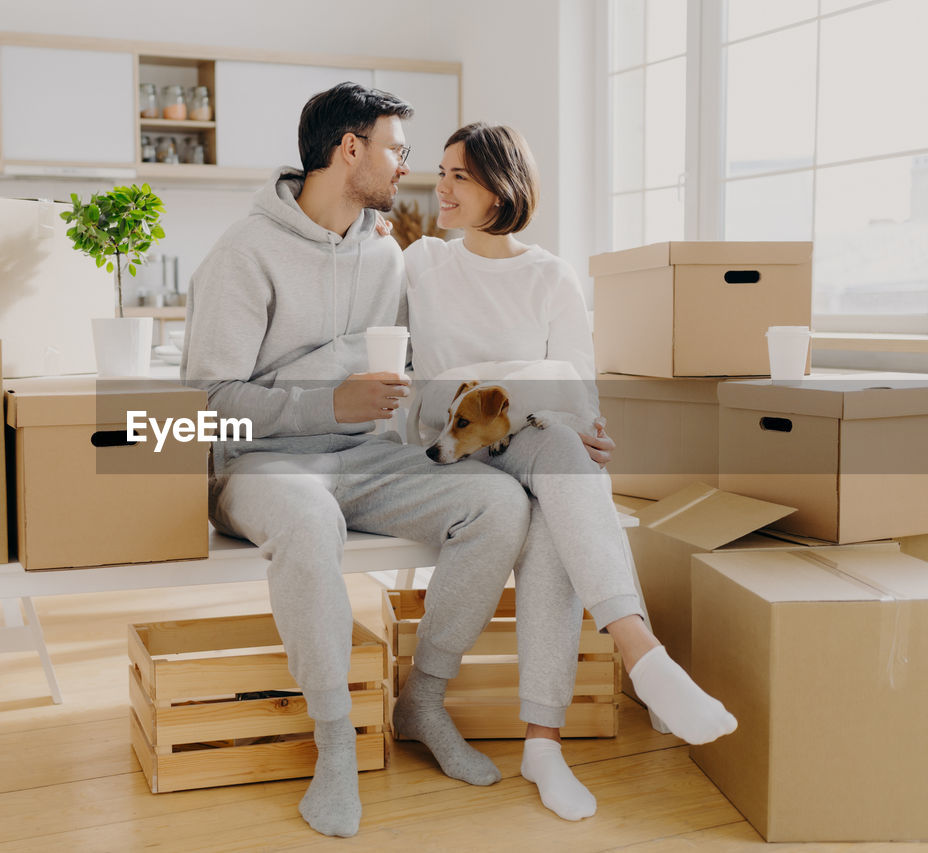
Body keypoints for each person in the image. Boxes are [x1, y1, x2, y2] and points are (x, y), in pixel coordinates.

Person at [181, 85, 535, 838]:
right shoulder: (244, 253)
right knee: (308, 521)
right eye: (398, 150)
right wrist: (325, 402)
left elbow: (417, 380)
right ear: (351, 149)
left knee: (501, 504)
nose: (408, 167)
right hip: (259, 465)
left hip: (368, 460)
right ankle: (336, 739)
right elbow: (204, 404)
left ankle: (422, 701)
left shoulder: (389, 255)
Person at [403, 122, 738, 821]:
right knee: (555, 456)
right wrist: (524, 387)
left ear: (503, 185)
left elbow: (576, 397)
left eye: (458, 175)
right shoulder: (424, 264)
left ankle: (548, 740)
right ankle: (636, 662)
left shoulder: (549, 275)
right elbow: (428, 387)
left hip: (533, 441)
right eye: (440, 172)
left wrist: (555, 406)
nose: (441, 187)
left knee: (559, 470)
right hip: (451, 443)